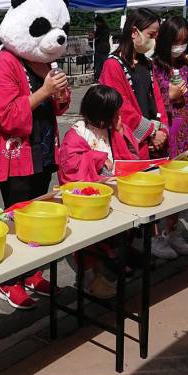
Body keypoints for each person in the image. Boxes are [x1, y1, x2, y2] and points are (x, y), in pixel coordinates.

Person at [0, 22, 71, 311]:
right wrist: (46, 90)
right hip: (17, 155)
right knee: (17, 220)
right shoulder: (3, 63)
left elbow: (61, 105)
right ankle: (10, 282)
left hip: (43, 152)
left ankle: (32, 274)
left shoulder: (43, 61)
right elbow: (8, 117)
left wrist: (58, 92)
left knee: (38, 218)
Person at [58, 84, 137, 298]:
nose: (118, 116)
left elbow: (130, 158)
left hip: (113, 193)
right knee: (91, 243)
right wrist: (99, 158)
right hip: (90, 200)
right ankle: (91, 279)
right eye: (115, 112)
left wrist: (121, 132)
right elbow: (71, 168)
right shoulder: (77, 134)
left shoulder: (112, 128)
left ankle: (107, 269)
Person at [151, 15, 188, 258]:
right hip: (167, 135)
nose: (180, 46)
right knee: (163, 186)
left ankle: (172, 232)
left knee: (181, 187)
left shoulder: (186, 65)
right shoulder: (155, 66)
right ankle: (157, 237)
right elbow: (152, 100)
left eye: (185, 42)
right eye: (176, 42)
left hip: (187, 132)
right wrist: (171, 97)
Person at [99, 8, 169, 160]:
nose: (155, 40)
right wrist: (151, 132)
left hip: (154, 138)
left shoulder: (148, 64)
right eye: (151, 34)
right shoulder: (113, 64)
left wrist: (162, 130)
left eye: (157, 35)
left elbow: (158, 100)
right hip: (127, 140)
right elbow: (120, 106)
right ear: (134, 32)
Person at [93, 15, 110, 81]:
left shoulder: (102, 29)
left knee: (99, 64)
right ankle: (103, 77)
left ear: (100, 22)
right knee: (103, 64)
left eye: (97, 22)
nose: (96, 24)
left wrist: (94, 36)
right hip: (105, 48)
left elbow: (99, 38)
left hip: (101, 48)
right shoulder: (106, 28)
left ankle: (98, 77)